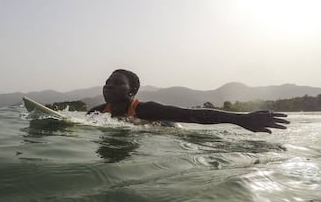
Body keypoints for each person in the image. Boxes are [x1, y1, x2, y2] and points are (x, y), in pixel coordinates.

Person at [87, 69, 290, 133]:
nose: (108, 86)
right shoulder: (96, 113)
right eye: (107, 82)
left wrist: (240, 119)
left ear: (131, 90)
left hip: (165, 128)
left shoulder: (146, 109)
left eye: (116, 83)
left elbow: (190, 114)